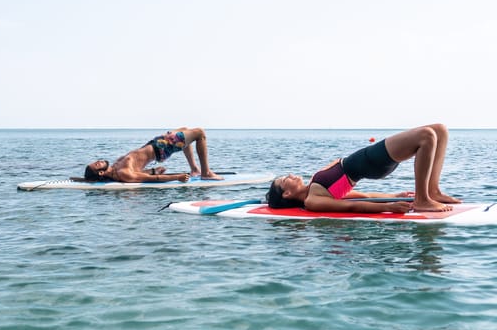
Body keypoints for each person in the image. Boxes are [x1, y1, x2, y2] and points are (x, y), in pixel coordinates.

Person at [266, 123, 462, 213]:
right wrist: (388, 208)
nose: (290, 175)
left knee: (440, 131)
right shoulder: (312, 201)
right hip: (370, 162)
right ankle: (422, 199)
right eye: (285, 180)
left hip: (368, 161)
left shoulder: (315, 189)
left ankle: (432, 191)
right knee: (427, 135)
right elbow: (351, 207)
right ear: (287, 194)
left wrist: (394, 196)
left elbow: (362, 196)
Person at [84, 127, 223, 183]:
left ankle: (195, 169)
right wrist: (177, 177)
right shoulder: (123, 173)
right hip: (162, 148)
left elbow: (138, 171)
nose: (99, 160)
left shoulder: (116, 167)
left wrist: (152, 170)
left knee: (186, 130)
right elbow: (152, 179)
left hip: (156, 143)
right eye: (97, 164)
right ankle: (206, 173)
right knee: (199, 133)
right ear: (101, 173)